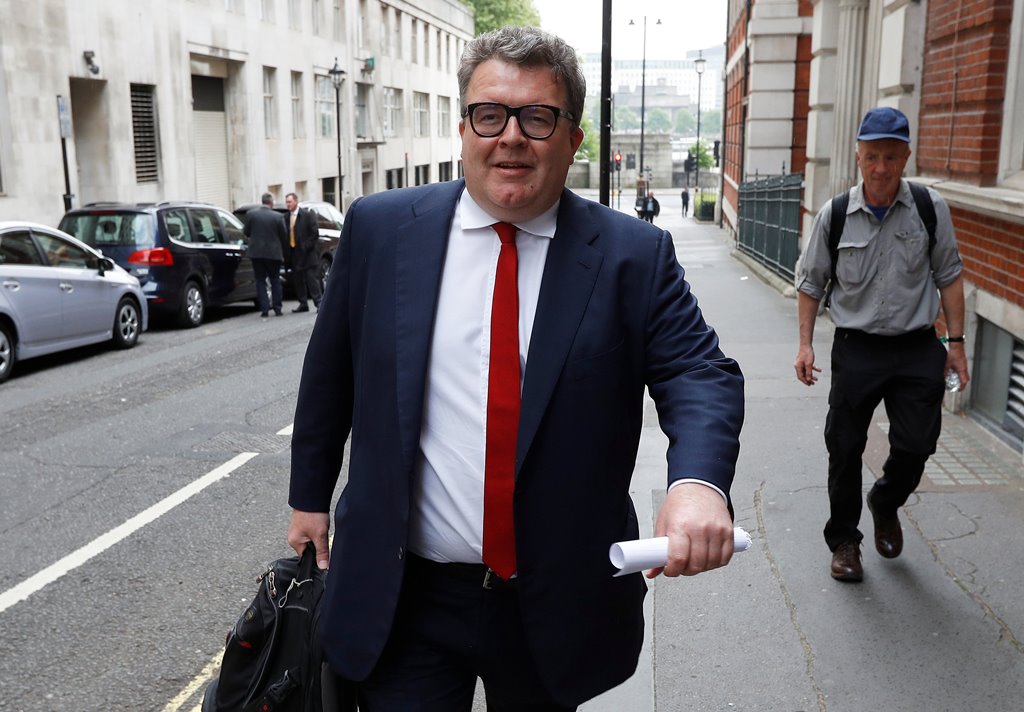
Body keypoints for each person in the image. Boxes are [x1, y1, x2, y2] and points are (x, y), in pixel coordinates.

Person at [287, 26, 744, 711]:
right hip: (404, 594)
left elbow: (698, 372)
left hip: (554, 599)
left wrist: (699, 484)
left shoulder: (631, 256)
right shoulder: (381, 229)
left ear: (573, 137)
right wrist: (309, 495)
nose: (510, 137)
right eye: (489, 114)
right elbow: (332, 373)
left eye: (537, 117)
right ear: (465, 127)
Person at [793, 106, 969, 583]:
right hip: (857, 349)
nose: (881, 168)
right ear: (858, 157)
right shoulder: (835, 215)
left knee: (917, 444)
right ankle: (845, 542)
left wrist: (956, 344)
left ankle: (885, 500)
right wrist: (805, 345)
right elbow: (810, 284)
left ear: (905, 157)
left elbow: (950, 277)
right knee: (844, 448)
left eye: (891, 157)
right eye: (872, 156)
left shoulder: (930, 209)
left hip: (916, 347)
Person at [243, 192, 287, 317]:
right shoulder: (278, 217)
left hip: (257, 253)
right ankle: (277, 308)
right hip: (273, 253)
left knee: (260, 280)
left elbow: (246, 232)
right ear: (271, 202)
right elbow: (283, 235)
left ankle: (264, 308)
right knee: (275, 279)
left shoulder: (251, 214)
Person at [284, 192, 322, 313]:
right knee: (298, 280)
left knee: (312, 280)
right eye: (287, 202)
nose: (288, 204)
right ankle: (303, 303)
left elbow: (314, 233)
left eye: (289, 202)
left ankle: (319, 303)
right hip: (294, 253)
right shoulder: (286, 217)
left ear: (296, 201)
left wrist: (306, 246)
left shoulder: (307, 215)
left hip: (308, 254)